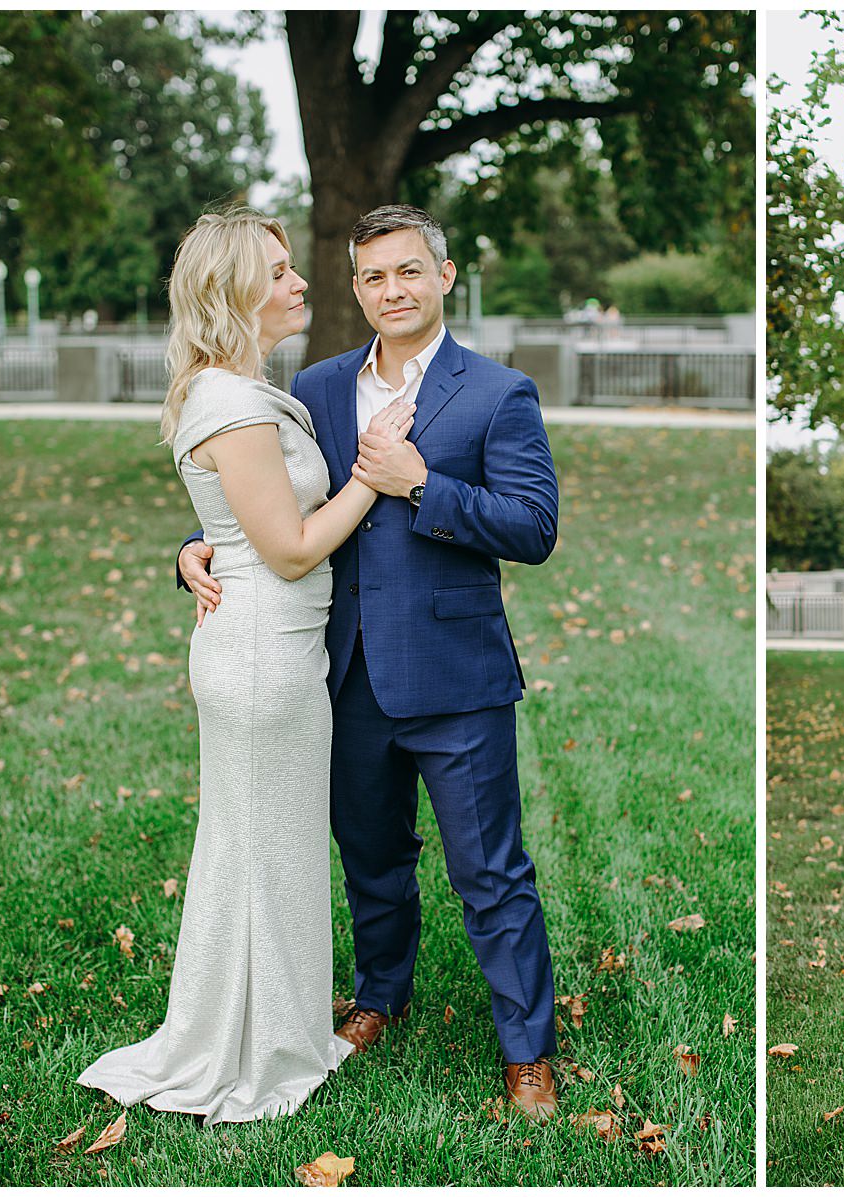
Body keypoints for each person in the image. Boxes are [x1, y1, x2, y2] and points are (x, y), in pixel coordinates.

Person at [178, 204, 562, 1121]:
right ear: (355, 286)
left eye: (408, 272)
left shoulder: (497, 393)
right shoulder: (314, 386)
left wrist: (423, 484)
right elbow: (266, 492)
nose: (391, 291)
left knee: (491, 873)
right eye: (372, 277)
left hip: (455, 676)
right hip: (337, 672)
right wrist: (192, 545)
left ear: (444, 275)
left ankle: (528, 1051)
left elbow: (534, 527)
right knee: (371, 857)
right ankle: (380, 994)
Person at [78, 209, 416, 1124]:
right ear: (233, 294)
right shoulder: (227, 399)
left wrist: (201, 545)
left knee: (260, 847)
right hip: (264, 654)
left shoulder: (234, 389)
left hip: (272, 647)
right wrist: (375, 478)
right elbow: (293, 546)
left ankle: (265, 1025)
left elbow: (239, 523)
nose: (300, 279)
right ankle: (259, 1048)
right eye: (276, 271)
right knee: (264, 849)